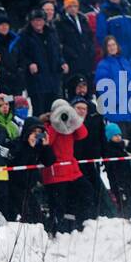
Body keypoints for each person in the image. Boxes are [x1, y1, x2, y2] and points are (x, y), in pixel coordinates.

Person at [41, 98, 92, 234]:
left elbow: (83, 134)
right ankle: (60, 229)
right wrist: (55, 122)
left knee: (85, 192)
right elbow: (48, 141)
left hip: (71, 170)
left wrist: (73, 117)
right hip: (55, 172)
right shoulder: (48, 126)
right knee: (59, 203)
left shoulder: (70, 125)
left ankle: (79, 221)